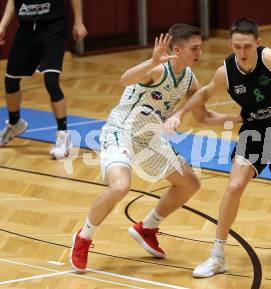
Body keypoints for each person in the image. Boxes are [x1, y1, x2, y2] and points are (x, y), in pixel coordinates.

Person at [70, 24, 242, 271]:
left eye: (200, 48)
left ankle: (146, 228)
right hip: (122, 132)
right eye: (194, 49)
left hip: (149, 140)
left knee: (190, 183)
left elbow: (203, 117)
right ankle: (83, 238)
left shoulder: (189, 80)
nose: (199, 53)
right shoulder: (158, 70)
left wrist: (238, 118)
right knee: (120, 187)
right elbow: (124, 79)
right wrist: (151, 61)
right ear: (177, 49)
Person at [165, 17, 271, 278]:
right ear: (231, 44)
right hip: (254, 133)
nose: (242, 52)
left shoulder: (270, 58)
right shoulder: (226, 70)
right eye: (237, 47)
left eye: (247, 46)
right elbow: (203, 94)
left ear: (257, 43)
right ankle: (217, 255)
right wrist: (178, 114)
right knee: (234, 186)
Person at [0, 0, 87, 158]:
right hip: (26, 29)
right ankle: (14, 123)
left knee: (51, 80)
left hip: (53, 28)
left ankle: (63, 134)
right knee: (10, 80)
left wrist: (79, 21)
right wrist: (3, 24)